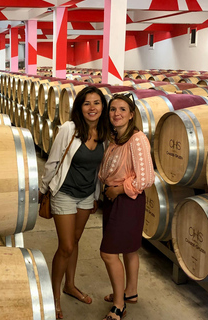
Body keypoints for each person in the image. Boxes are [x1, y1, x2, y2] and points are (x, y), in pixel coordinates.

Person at [39, 86, 110, 319]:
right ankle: (54, 295)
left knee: (76, 241)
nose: (92, 107)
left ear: (102, 106)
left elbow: (99, 169)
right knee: (66, 246)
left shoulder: (104, 133)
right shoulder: (69, 129)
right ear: (80, 107)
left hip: (87, 195)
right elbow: (53, 161)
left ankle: (70, 285)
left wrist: (97, 195)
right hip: (64, 193)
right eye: (87, 103)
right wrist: (43, 189)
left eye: (97, 103)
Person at [98, 93, 155, 320]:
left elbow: (146, 179)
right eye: (113, 109)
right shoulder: (116, 138)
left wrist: (118, 190)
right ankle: (130, 293)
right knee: (130, 250)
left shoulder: (137, 139)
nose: (117, 113)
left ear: (132, 114)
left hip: (126, 201)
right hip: (115, 199)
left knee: (108, 253)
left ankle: (119, 306)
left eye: (122, 109)